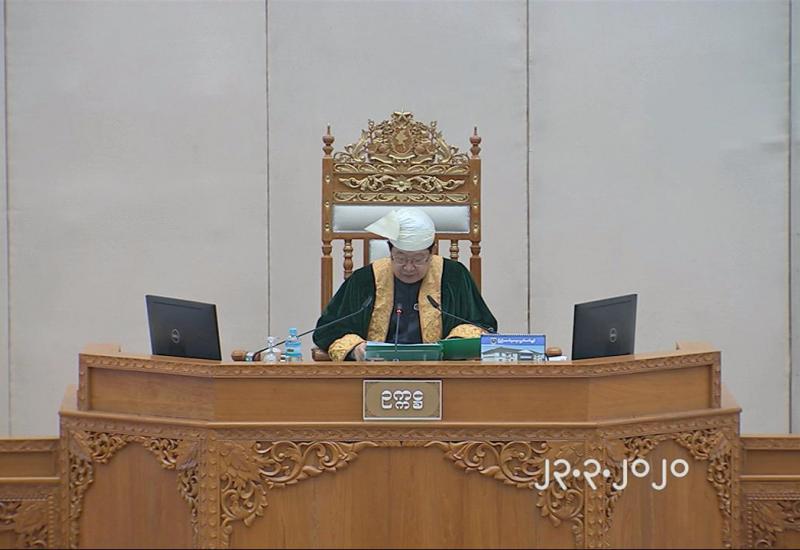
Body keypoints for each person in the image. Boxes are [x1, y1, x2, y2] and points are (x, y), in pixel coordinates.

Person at [313, 207, 497, 361]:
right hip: (375, 371)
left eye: (418, 259)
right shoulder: (365, 279)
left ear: (431, 253)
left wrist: (455, 343)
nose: (409, 268)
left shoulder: (454, 276)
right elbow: (328, 330)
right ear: (390, 251)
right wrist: (356, 348)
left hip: (441, 372)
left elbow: (481, 325)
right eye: (400, 258)